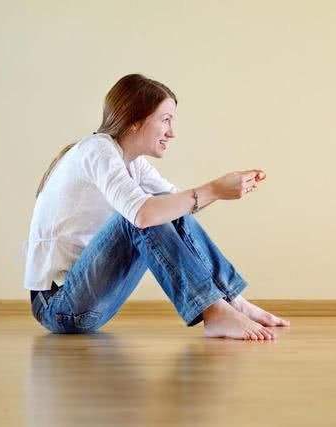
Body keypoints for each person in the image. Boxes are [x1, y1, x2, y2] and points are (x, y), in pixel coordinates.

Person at [24, 74, 289, 340]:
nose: (172, 132)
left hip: (85, 301)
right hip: (59, 306)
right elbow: (143, 215)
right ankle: (214, 311)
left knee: (167, 207)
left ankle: (231, 301)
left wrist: (224, 190)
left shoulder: (131, 162)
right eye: (165, 120)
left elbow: (180, 206)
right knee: (140, 216)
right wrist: (214, 189)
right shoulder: (96, 149)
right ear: (135, 122)